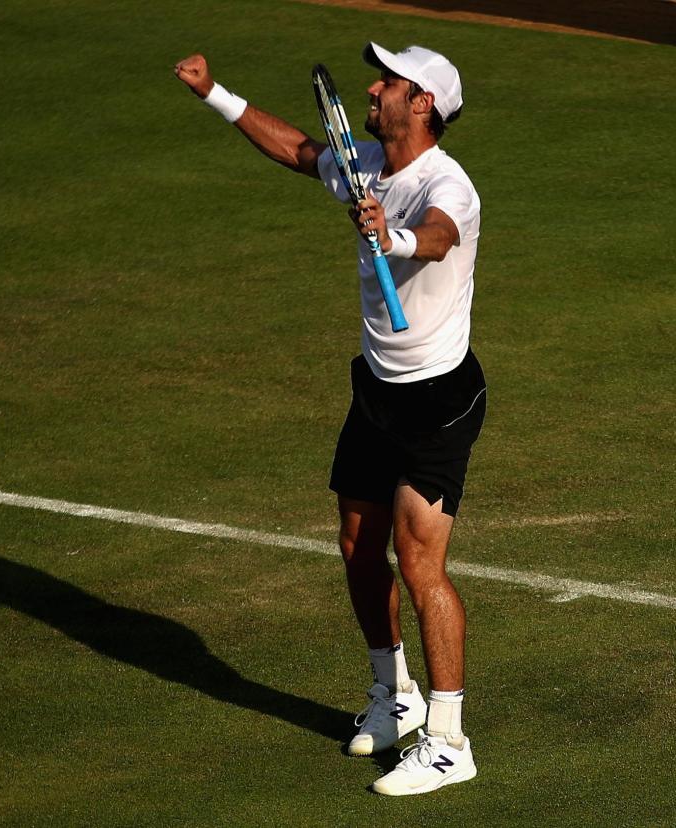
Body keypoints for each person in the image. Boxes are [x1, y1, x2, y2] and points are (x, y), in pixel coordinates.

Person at [174, 43, 486, 796]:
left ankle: (449, 740)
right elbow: (299, 149)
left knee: (420, 565)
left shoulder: (449, 184)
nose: (371, 89)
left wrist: (394, 237)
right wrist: (214, 91)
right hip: (376, 389)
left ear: (423, 105)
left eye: (389, 82)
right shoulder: (367, 164)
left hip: (437, 401)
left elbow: (439, 235)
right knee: (356, 544)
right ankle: (395, 694)